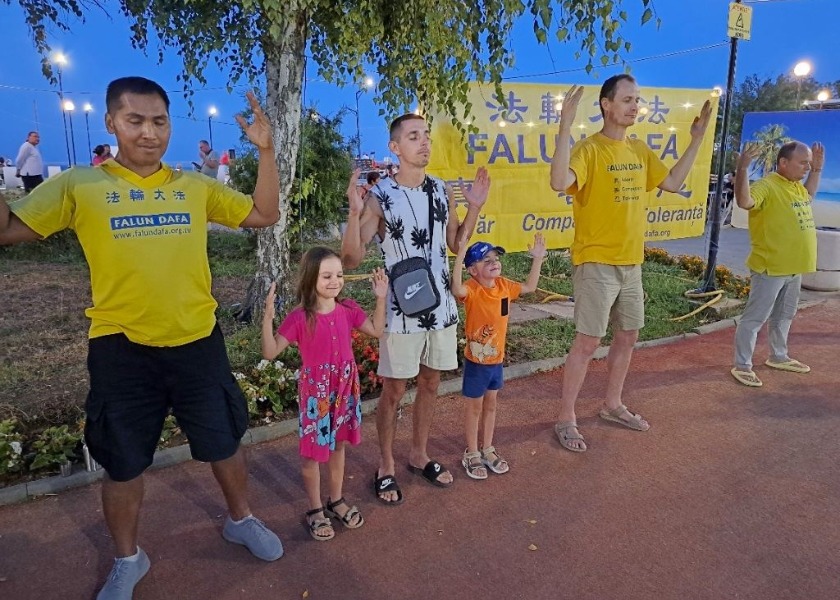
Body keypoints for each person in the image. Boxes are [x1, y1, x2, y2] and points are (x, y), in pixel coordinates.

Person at [0, 76, 283, 600]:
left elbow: (265, 215)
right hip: (121, 348)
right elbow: (8, 230)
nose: (149, 133)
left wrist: (266, 151)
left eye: (159, 121)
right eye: (135, 121)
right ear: (112, 123)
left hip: (198, 341)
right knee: (124, 461)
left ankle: (240, 519)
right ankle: (129, 558)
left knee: (224, 442)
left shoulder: (193, 187)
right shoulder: (79, 185)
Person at [549, 74, 712, 452]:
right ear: (606, 104)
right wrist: (564, 128)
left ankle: (612, 404)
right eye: (627, 99)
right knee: (588, 342)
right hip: (596, 262)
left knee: (628, 336)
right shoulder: (589, 150)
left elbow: (671, 183)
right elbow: (559, 182)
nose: (634, 106)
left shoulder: (639, 150)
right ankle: (566, 417)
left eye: (637, 100)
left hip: (631, 264)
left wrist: (698, 138)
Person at [341, 113, 490, 504]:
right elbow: (351, 258)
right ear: (395, 147)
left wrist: (473, 207)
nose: (424, 143)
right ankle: (386, 463)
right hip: (400, 309)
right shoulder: (381, 196)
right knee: (394, 389)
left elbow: (457, 243)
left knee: (431, 382)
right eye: (413, 137)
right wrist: (354, 213)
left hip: (439, 306)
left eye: (426, 136)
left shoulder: (442, 190)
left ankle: (419, 453)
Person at [261, 248, 388, 540]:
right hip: (317, 395)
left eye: (339, 275)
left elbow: (377, 330)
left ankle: (336, 499)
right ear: (310, 278)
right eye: (327, 276)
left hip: (344, 390)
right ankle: (316, 509)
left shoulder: (349, 309)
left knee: (338, 445)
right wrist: (267, 319)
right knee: (312, 452)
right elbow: (269, 352)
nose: (335, 281)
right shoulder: (299, 318)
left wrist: (381, 297)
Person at [451, 232, 546, 479]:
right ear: (472, 270)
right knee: (474, 408)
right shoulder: (471, 289)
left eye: (495, 257)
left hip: (497, 360)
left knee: (491, 404)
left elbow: (530, 287)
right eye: (486, 260)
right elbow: (456, 287)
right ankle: (471, 452)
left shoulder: (504, 286)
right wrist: (460, 255)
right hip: (476, 362)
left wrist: (537, 259)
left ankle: (488, 448)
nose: (494, 262)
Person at [729, 141, 822, 387]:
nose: (806, 167)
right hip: (771, 267)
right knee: (755, 318)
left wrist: (817, 171)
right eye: (803, 163)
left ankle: (778, 356)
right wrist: (742, 170)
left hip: (793, 267)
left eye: (808, 163)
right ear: (783, 162)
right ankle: (742, 365)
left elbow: (810, 194)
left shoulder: (795, 187)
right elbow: (745, 201)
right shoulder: (767, 186)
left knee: (784, 315)